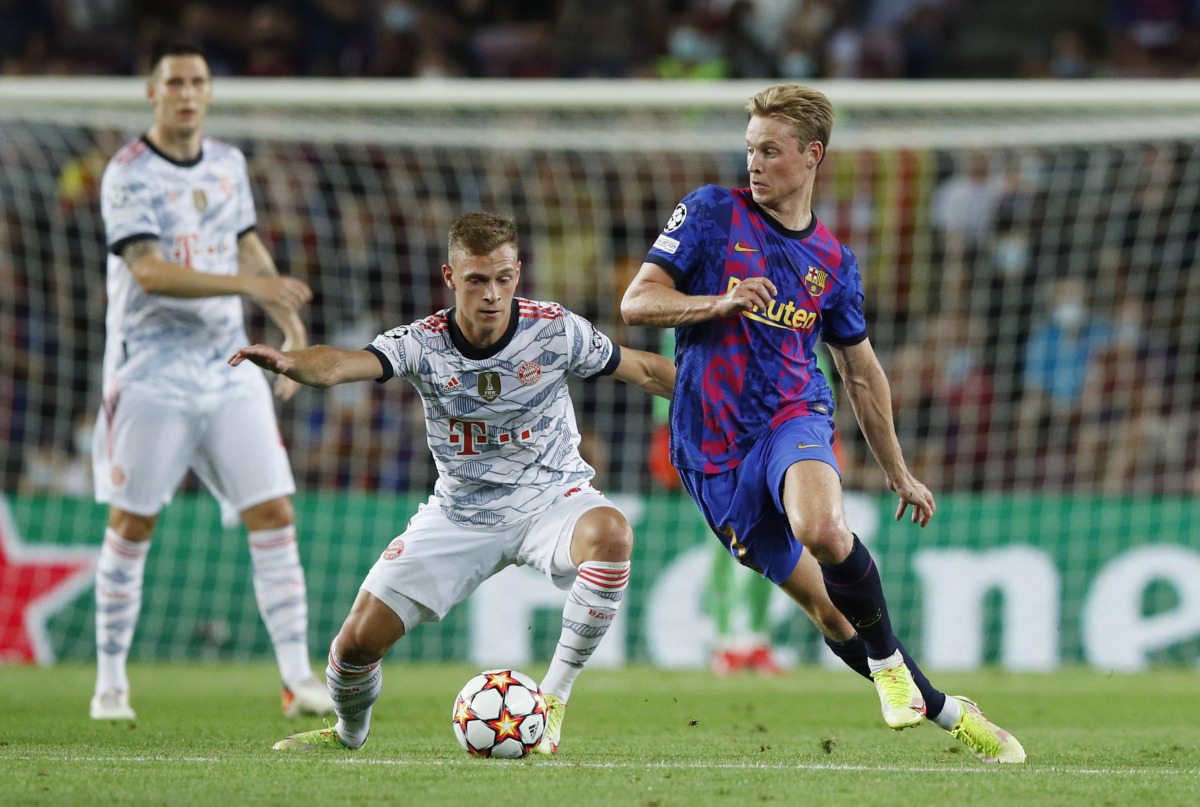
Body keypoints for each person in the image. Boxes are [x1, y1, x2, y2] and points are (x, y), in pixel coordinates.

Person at [621, 83, 1025, 763]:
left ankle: (893, 670)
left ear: (812, 156)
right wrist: (716, 303)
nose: (754, 162)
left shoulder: (833, 263)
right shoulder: (711, 213)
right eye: (750, 148)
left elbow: (861, 372)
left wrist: (898, 470)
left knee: (824, 527)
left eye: (770, 151)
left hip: (792, 416)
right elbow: (638, 302)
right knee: (832, 614)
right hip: (711, 449)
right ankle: (949, 708)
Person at [232, 212, 676, 755]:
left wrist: (729, 397)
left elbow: (648, 371)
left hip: (552, 497)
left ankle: (552, 703)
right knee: (352, 648)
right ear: (450, 277)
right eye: (476, 280)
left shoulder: (555, 330)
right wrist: (290, 362)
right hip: (460, 512)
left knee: (611, 532)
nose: (492, 294)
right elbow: (341, 366)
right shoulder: (423, 343)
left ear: (518, 272)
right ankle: (347, 734)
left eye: (504, 278)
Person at [91, 42, 332, 721]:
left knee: (274, 511)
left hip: (227, 366)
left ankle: (296, 676)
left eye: (197, 81)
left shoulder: (228, 163)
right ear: (152, 91)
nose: (187, 93)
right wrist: (249, 284)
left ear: (209, 90)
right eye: (174, 82)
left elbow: (248, 243)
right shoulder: (127, 174)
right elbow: (150, 273)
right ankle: (110, 680)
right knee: (134, 521)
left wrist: (289, 333)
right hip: (151, 372)